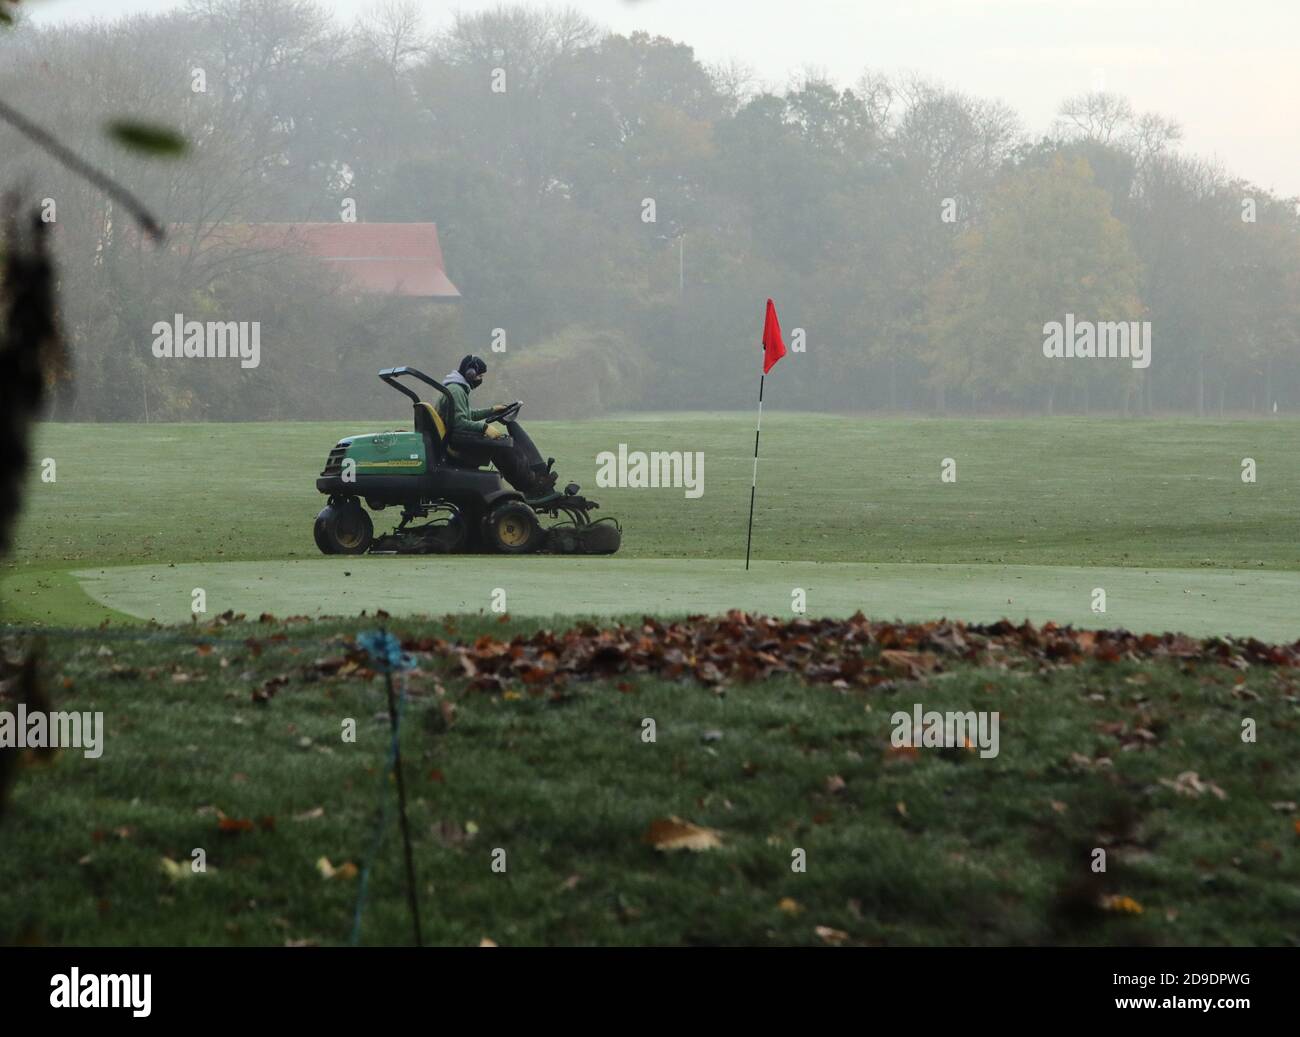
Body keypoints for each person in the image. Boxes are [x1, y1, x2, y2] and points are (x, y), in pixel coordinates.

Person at [439, 355, 559, 497]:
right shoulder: (456, 390)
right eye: (480, 376)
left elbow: (466, 415)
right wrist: (485, 428)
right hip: (455, 442)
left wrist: (492, 410)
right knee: (505, 444)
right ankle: (532, 485)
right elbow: (459, 423)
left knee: (501, 442)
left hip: (454, 439)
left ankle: (530, 482)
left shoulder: (456, 388)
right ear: (470, 373)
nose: (480, 379)